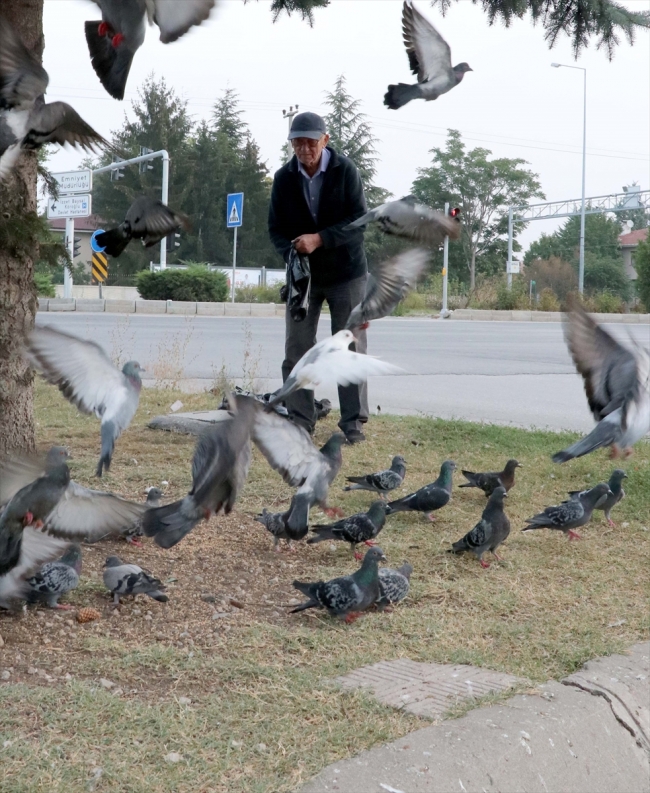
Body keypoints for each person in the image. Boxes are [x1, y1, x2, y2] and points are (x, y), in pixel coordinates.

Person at [268, 111, 369, 444]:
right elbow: (276, 230)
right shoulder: (284, 179)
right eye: (298, 143)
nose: (304, 150)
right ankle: (300, 417)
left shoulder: (346, 171)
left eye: (310, 142)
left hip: (346, 273)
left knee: (348, 347)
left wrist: (319, 238)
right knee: (297, 346)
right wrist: (292, 254)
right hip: (304, 278)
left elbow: (358, 222)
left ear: (325, 140)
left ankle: (353, 421)